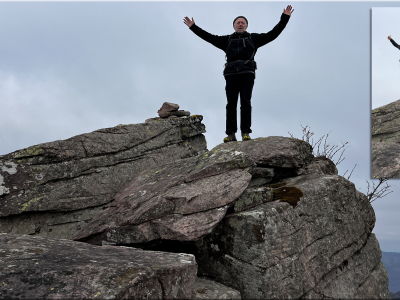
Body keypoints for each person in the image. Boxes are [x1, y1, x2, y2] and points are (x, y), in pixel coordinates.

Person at [184, 5, 294, 142]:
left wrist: (285, 18)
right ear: (234, 26)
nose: (240, 24)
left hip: (247, 73)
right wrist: (193, 27)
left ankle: (246, 133)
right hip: (231, 74)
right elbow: (209, 37)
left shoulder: (253, 39)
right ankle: (230, 134)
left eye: (243, 23)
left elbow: (273, 34)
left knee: (245, 102)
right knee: (231, 104)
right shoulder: (227, 40)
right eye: (238, 22)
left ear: (246, 26)